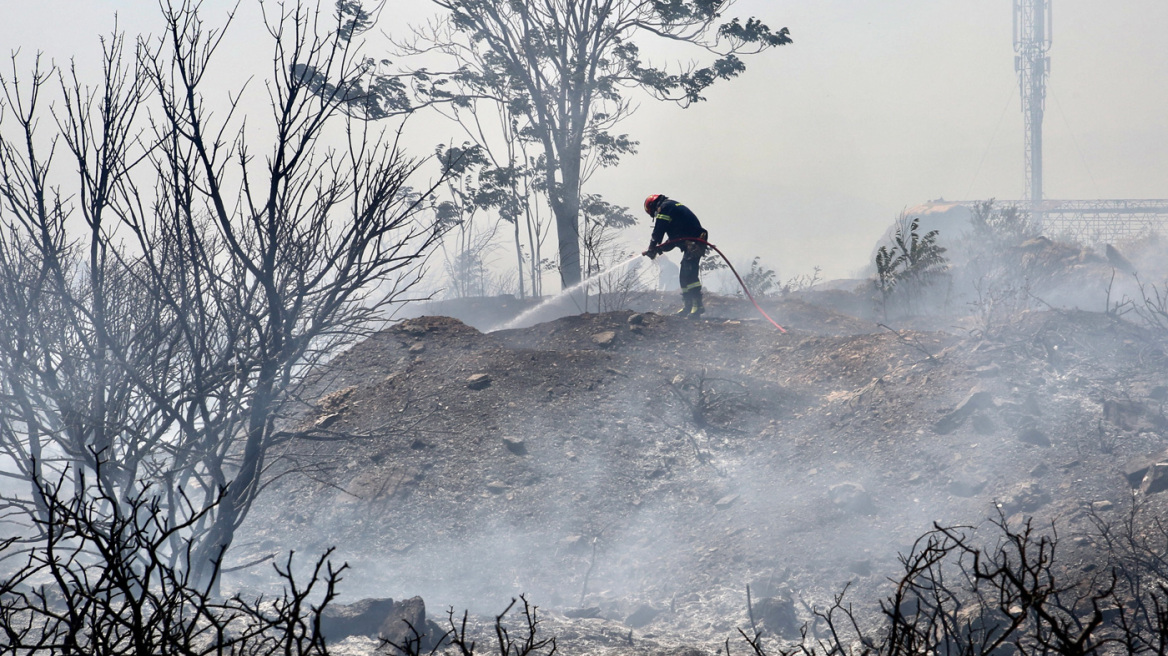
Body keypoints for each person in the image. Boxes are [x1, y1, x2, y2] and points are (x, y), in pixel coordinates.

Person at [642, 194, 708, 318]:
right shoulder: (671, 207)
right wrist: (659, 248)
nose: (656, 215)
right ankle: (688, 306)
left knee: (689, 272)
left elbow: (659, 230)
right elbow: (674, 239)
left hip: (695, 241)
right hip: (690, 241)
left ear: (653, 206)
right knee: (684, 275)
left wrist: (652, 247)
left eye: (654, 213)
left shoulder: (665, 207)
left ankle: (697, 305)